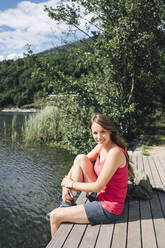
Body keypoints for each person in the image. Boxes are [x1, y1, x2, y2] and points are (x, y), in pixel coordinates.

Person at [47, 113, 134, 238]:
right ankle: (68, 201)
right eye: (95, 133)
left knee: (55, 216)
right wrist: (65, 186)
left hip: (108, 208)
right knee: (80, 158)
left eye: (102, 132)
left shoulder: (115, 153)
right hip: (100, 196)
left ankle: (65, 207)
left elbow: (98, 186)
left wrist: (70, 183)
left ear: (110, 130)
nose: (99, 137)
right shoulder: (101, 146)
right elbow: (79, 162)